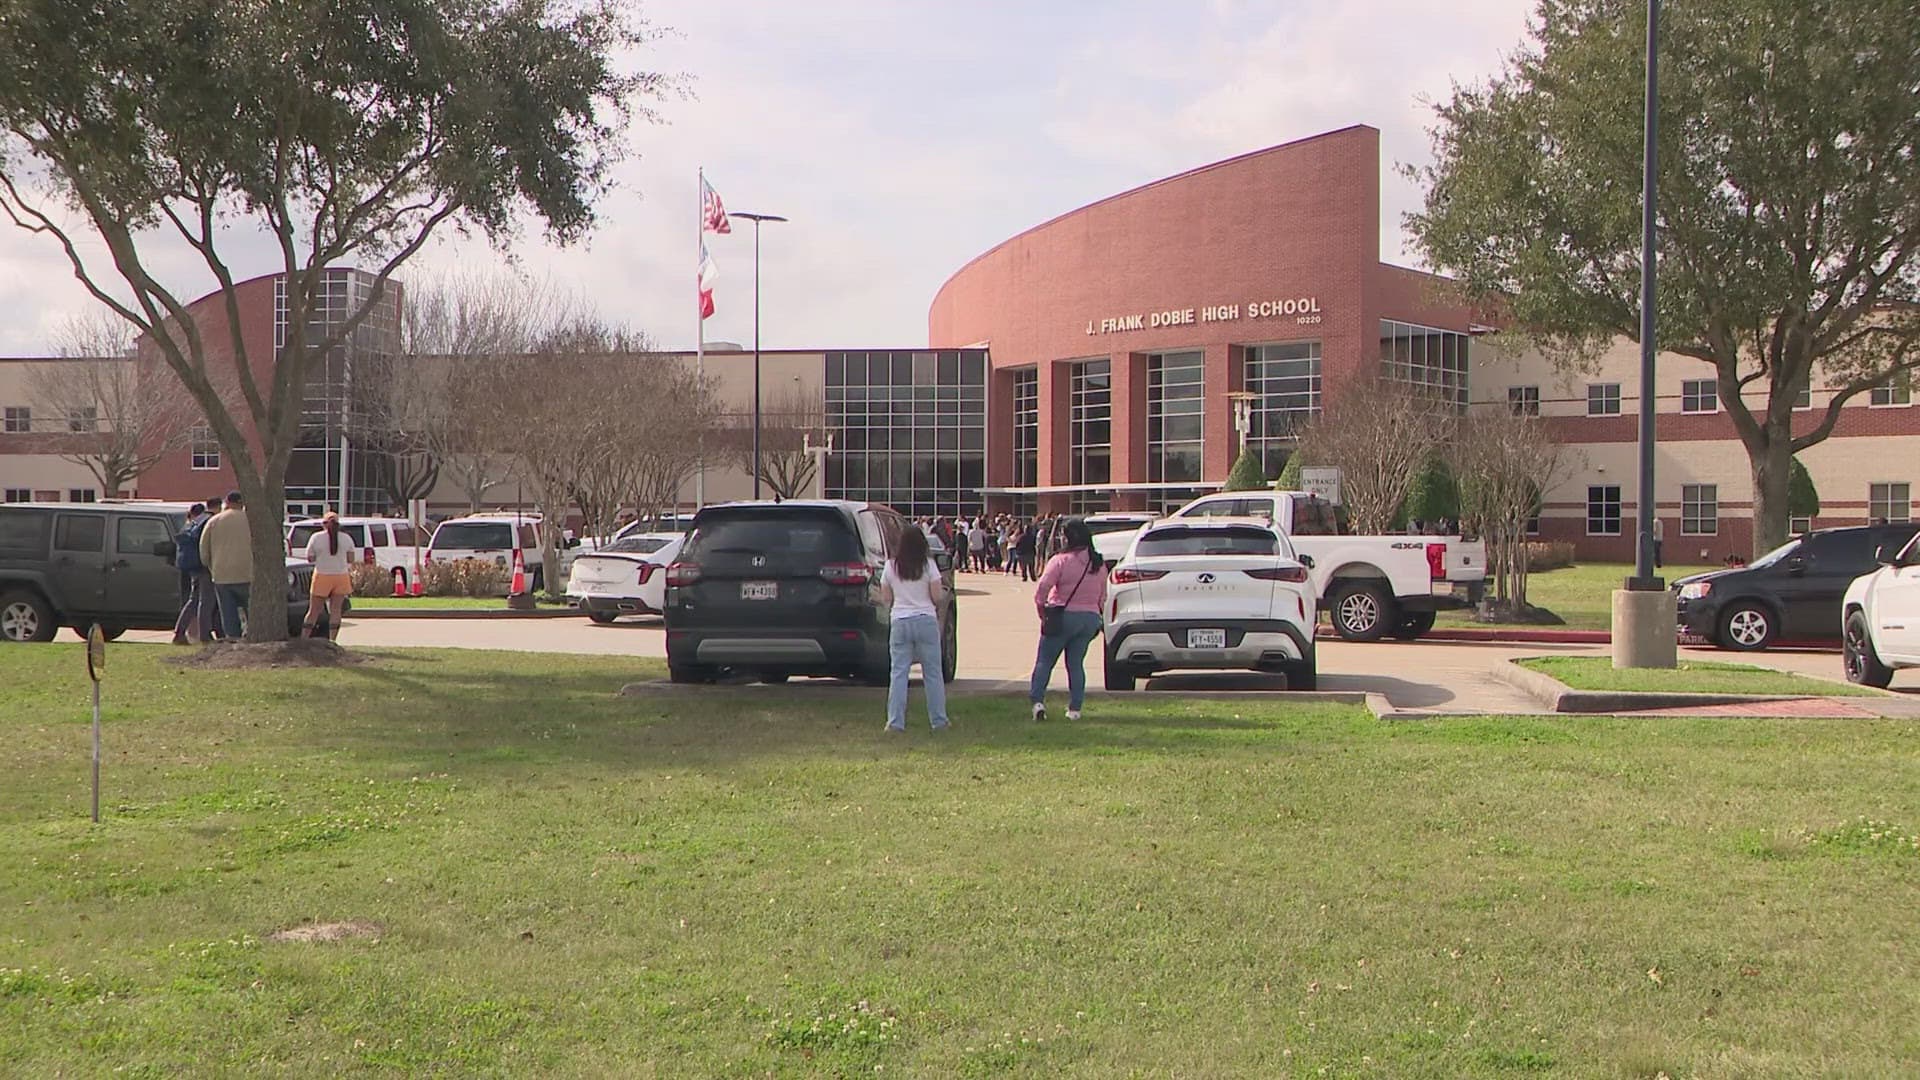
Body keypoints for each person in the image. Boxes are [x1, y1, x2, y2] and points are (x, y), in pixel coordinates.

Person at [1028, 518, 1108, 722]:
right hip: (1089, 618)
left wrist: (1042, 610)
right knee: (1075, 664)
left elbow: (1043, 588)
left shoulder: (1061, 560)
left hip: (1063, 614)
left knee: (1045, 661)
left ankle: (1037, 702)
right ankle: (1075, 709)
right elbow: (1103, 597)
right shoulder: (1097, 563)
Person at [879, 524, 949, 732]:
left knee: (899, 673)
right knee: (933, 673)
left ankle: (895, 722)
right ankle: (939, 720)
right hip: (925, 619)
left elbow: (886, 598)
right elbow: (936, 596)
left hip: (900, 620)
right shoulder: (928, 566)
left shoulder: (891, 567)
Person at [199, 491, 253, 639]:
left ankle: (232, 639)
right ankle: (251, 636)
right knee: (251, 610)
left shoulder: (214, 521)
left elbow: (204, 551)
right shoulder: (252, 520)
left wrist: (211, 566)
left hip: (221, 574)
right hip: (247, 572)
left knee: (228, 612)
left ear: (227, 502)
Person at [301, 510, 357, 640]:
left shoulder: (316, 537)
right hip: (341, 576)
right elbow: (351, 558)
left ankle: (304, 638)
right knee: (336, 610)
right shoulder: (346, 538)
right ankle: (333, 640)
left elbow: (310, 557)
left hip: (322, 575)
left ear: (324, 524)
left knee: (314, 610)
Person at [170, 503, 214, 644]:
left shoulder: (190, 524)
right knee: (206, 601)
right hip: (203, 566)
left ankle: (179, 632)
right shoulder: (207, 522)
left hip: (192, 567)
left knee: (193, 600)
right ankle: (205, 636)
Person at [1015, 517, 1038, 582]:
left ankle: (1024, 577)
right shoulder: (1032, 537)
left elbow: (1017, 545)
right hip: (1030, 553)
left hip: (1023, 554)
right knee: (1031, 567)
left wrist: (1017, 552)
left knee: (1023, 567)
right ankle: (1033, 577)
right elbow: (1034, 544)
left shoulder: (1021, 537)